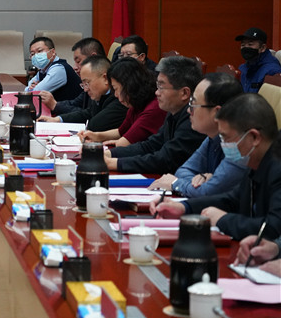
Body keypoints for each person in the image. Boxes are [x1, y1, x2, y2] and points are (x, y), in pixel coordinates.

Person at [151, 93, 281, 241]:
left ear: (254, 137)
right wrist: (184, 207)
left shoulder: (277, 166)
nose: (223, 144)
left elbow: (273, 227)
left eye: (226, 137)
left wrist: (222, 219)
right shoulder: (257, 160)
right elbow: (233, 199)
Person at [148, 73, 246, 197]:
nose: (189, 110)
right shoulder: (211, 137)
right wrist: (200, 180)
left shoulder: (238, 147)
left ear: (217, 112)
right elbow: (183, 170)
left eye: (193, 105)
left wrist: (175, 183)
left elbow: (209, 191)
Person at [105, 56, 205, 174]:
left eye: (161, 87)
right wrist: (109, 154)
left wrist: (113, 163)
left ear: (184, 93)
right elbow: (150, 145)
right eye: (157, 86)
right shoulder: (173, 112)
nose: (157, 92)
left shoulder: (193, 118)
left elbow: (165, 160)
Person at [80, 58, 165, 147]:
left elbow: (123, 143)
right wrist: (96, 136)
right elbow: (120, 131)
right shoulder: (135, 106)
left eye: (116, 89)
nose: (115, 95)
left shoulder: (153, 109)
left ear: (130, 86)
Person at [40, 56, 127, 131]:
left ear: (105, 78)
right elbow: (87, 113)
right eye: (83, 84)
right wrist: (57, 119)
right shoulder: (100, 94)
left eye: (87, 83)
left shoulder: (119, 97)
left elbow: (94, 124)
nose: (85, 89)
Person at [39, 37, 105, 116]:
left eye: (78, 61)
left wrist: (55, 105)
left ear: (93, 57)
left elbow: (89, 114)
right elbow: (75, 103)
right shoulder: (89, 85)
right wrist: (55, 105)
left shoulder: (107, 88)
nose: (74, 67)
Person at [25, 36, 82, 101]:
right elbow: (27, 90)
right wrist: (32, 87)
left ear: (52, 52)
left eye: (40, 51)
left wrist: (34, 88)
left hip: (72, 107)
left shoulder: (59, 69)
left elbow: (36, 93)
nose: (36, 56)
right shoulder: (43, 70)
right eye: (33, 54)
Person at [235, 27, 281, 93]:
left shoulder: (272, 71)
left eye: (250, 44)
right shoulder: (245, 68)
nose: (246, 48)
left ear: (262, 48)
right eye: (243, 45)